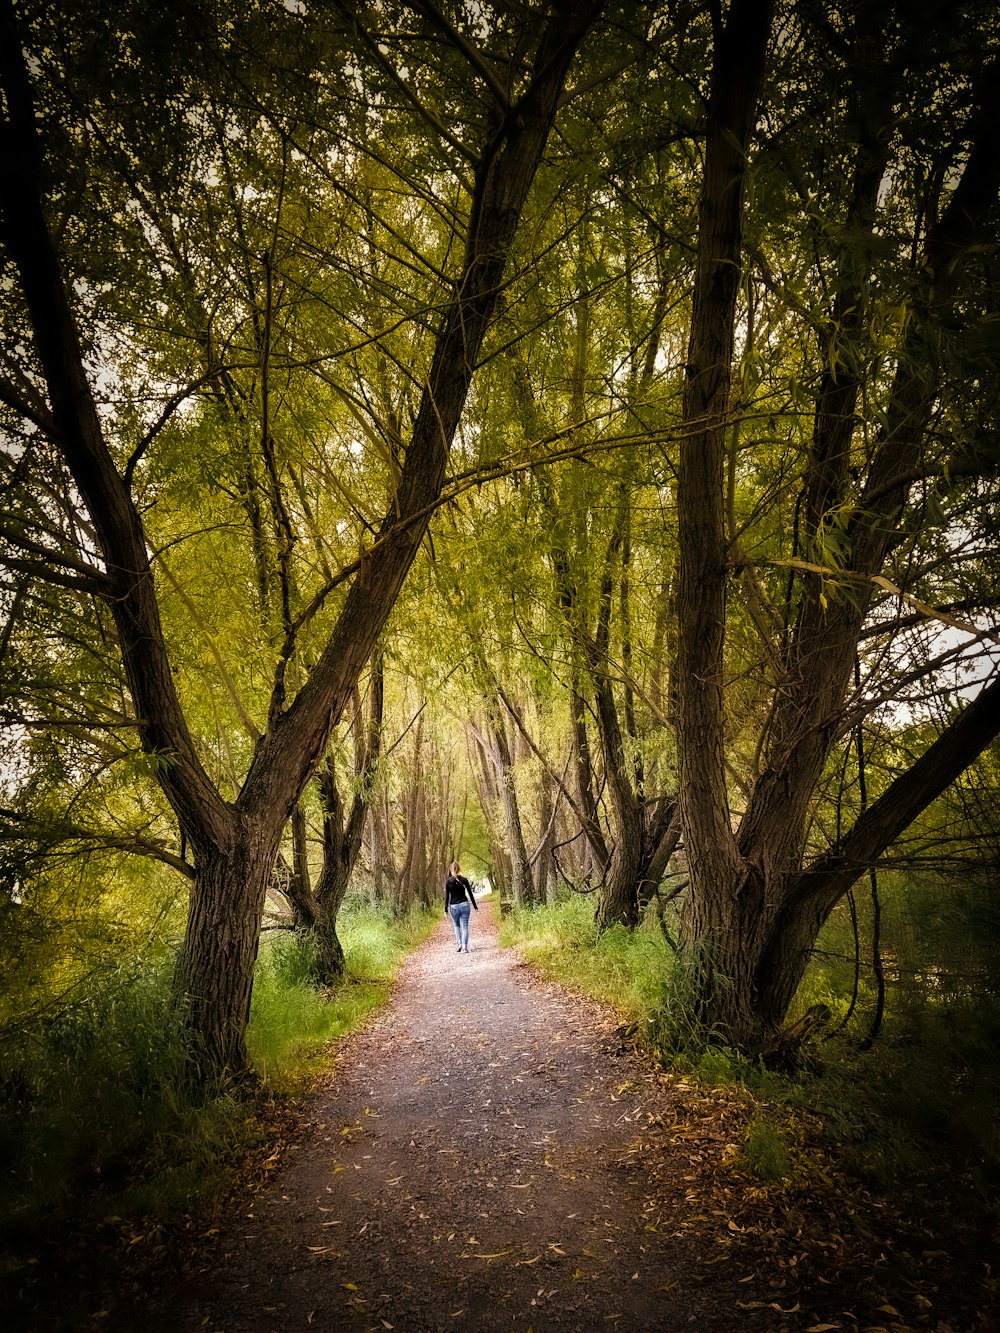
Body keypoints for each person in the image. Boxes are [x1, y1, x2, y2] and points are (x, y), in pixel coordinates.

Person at [444, 860, 478, 953]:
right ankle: (464, 947)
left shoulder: (448, 882)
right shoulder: (464, 880)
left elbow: (447, 896)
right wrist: (475, 906)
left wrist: (445, 910)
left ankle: (459, 944)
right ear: (459, 869)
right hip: (464, 905)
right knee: (465, 926)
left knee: (456, 925)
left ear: (451, 870)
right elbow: (470, 893)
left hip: (454, 906)